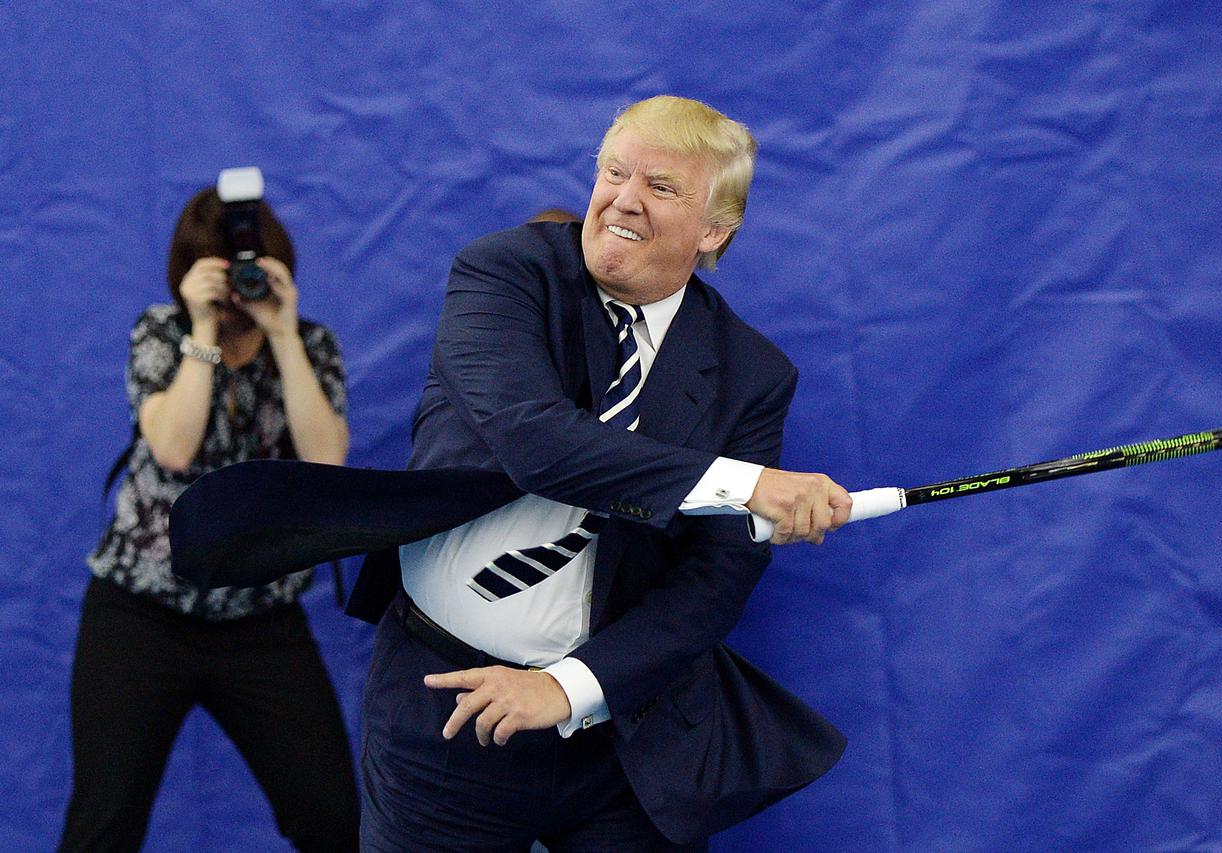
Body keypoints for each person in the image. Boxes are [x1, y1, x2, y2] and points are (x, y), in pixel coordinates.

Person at [168, 95, 854, 851]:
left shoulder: (753, 375)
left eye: (661, 187)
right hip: (443, 712)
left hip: (620, 736)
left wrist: (567, 687)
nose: (623, 198)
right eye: (614, 173)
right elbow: (539, 444)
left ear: (715, 228)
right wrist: (740, 483)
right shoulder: (504, 274)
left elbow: (713, 581)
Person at [59, 188, 360, 852]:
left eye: (247, 272)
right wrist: (200, 330)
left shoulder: (308, 344)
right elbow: (171, 448)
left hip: (262, 621)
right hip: (140, 614)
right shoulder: (159, 332)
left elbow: (325, 463)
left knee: (336, 820)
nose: (237, 291)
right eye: (223, 276)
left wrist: (281, 333)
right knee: (102, 825)